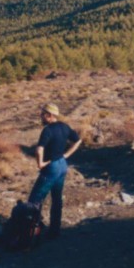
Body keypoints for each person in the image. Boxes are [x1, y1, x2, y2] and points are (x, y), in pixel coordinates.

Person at [28, 103, 81, 240]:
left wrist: (40, 164)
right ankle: (54, 231)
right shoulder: (64, 126)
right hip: (62, 165)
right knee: (56, 199)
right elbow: (78, 140)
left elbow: (39, 150)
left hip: (51, 167)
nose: (41, 116)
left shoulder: (47, 130)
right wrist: (66, 155)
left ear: (50, 115)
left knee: (35, 200)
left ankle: (30, 233)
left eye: (43, 114)